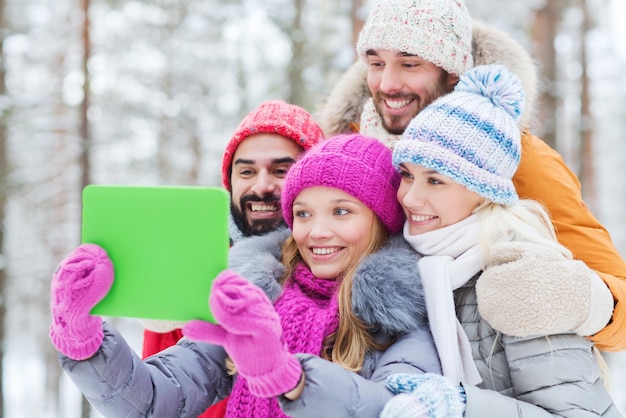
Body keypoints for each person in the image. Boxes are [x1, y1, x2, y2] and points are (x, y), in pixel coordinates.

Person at [49, 133, 443, 417]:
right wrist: (84, 339)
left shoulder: (404, 322)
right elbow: (154, 401)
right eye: (304, 213)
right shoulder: (256, 302)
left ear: (380, 221)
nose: (317, 231)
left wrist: (289, 377)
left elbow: (396, 409)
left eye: (341, 211)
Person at [315, 0, 626, 351]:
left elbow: (620, 306)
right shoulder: (348, 149)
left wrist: (578, 300)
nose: (387, 83)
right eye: (375, 63)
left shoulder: (518, 161)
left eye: (409, 64)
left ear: (452, 72)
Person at [378, 64, 619, 417]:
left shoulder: (524, 277)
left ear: (484, 192)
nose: (411, 198)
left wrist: (461, 405)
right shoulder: (418, 265)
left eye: (435, 181)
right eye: (407, 175)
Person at [141, 99, 325, 356]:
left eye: (281, 170)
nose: (261, 186)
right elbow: (155, 387)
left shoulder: (340, 271)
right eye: (247, 172)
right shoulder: (188, 271)